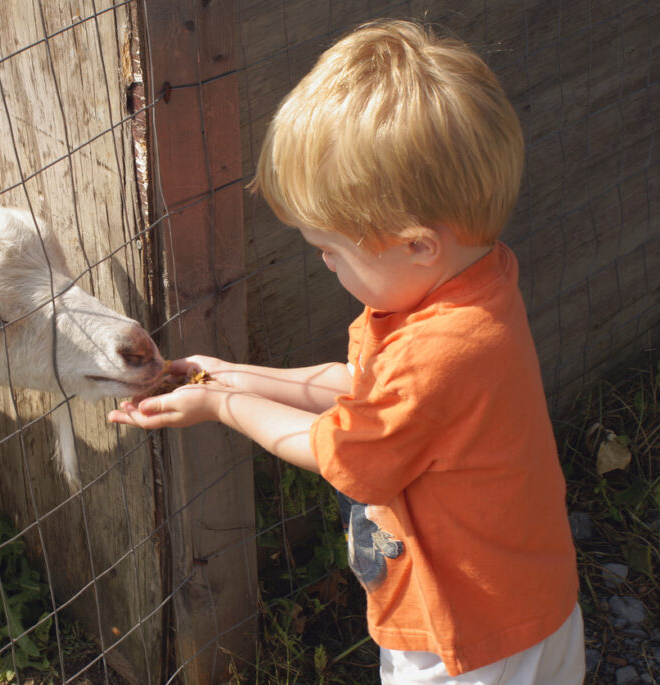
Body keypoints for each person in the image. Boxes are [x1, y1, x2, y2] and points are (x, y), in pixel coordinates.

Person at [108, 18, 584, 685]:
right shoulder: (472, 287)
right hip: (517, 610)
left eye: (331, 251)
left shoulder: (440, 350)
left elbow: (332, 449)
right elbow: (360, 384)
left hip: (472, 644)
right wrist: (229, 372)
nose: (328, 266)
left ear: (418, 243)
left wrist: (225, 405)